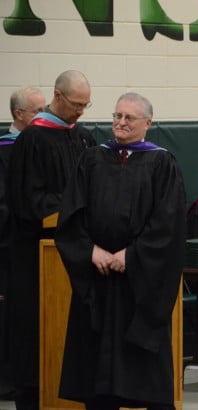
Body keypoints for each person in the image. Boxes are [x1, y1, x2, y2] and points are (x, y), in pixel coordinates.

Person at [55, 92, 186, 409]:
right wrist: (89, 250)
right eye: (117, 116)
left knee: (146, 368)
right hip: (97, 278)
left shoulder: (161, 162)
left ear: (147, 123)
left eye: (129, 117)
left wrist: (133, 254)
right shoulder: (92, 159)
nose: (121, 123)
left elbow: (168, 222)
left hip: (139, 283)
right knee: (96, 372)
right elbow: (71, 214)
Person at [7, 70, 95, 410]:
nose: (81, 112)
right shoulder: (32, 140)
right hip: (37, 256)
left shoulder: (82, 137)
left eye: (86, 105)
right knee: (35, 337)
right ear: (57, 95)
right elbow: (28, 200)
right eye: (76, 104)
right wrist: (70, 207)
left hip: (73, 253)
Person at [0, 86, 46, 400]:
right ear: (19, 114)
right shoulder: (5, 149)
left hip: (43, 254)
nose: (44, 117)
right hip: (11, 251)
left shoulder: (47, 144)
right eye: (37, 112)